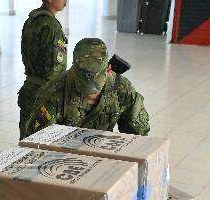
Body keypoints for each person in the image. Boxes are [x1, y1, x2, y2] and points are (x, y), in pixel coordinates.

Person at [20, 38, 150, 137]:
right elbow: (36, 142)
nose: (90, 93)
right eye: (83, 82)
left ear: (109, 70)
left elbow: (138, 135)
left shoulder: (122, 88)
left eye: (95, 82)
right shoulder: (54, 92)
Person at [18, 0, 70, 138]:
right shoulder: (52, 28)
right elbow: (56, 71)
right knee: (42, 146)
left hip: (29, 90)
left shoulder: (32, 19)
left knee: (26, 141)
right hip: (44, 96)